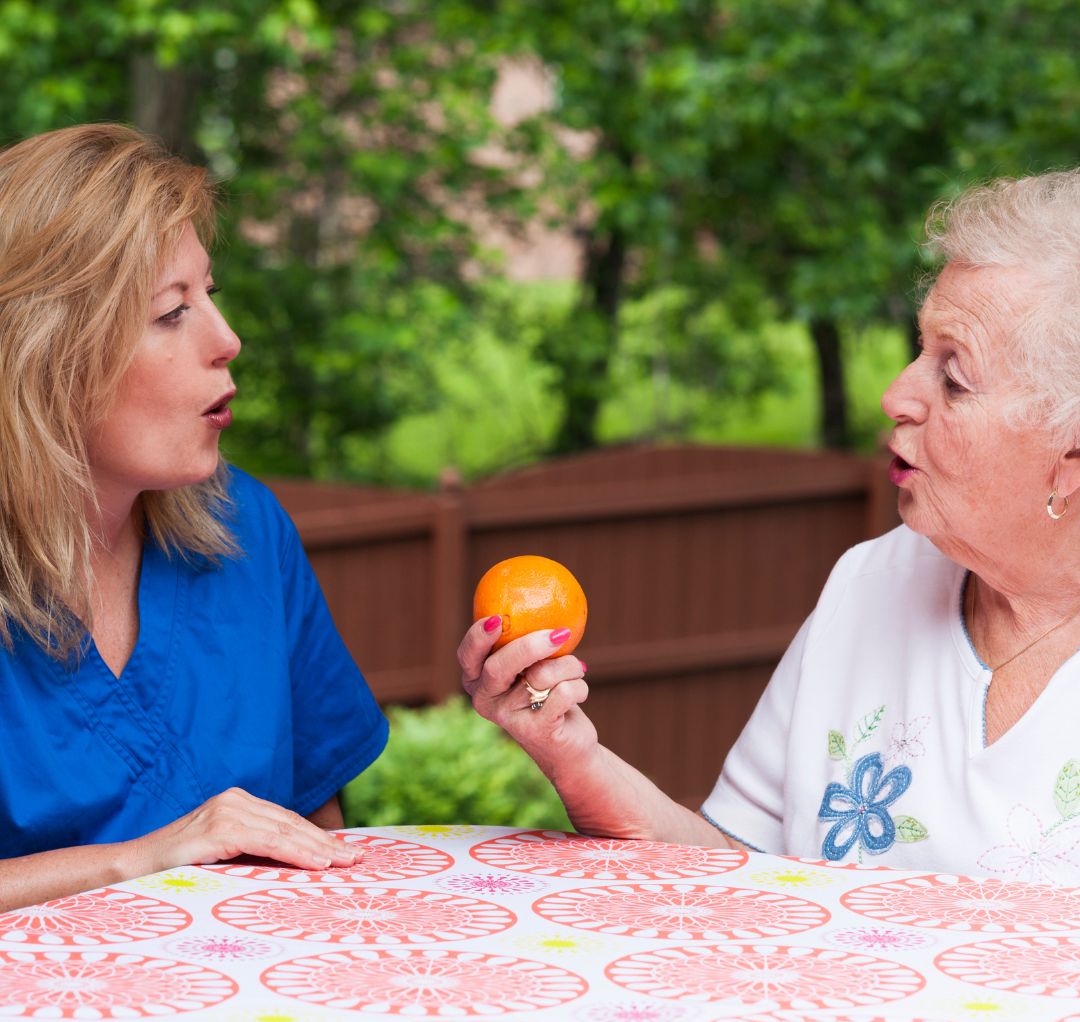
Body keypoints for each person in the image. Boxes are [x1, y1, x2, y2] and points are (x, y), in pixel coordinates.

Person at [460, 167, 1080, 887]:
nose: (897, 395)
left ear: (1070, 456)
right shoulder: (871, 583)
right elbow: (740, 871)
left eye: (955, 377)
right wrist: (570, 752)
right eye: (920, 350)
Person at [0, 124, 388, 912]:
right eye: (172, 312)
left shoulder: (249, 529)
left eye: (210, 295)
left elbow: (316, 832)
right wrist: (148, 857)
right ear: (47, 358)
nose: (227, 339)